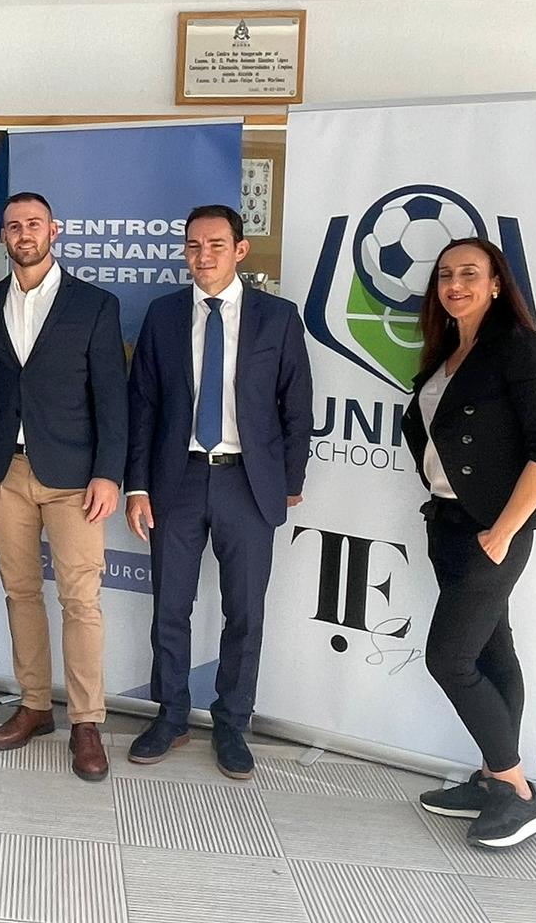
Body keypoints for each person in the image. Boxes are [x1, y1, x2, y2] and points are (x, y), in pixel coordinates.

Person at [125, 204, 312, 780]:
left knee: (245, 612)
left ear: (239, 250)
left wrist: (290, 480)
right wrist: (137, 486)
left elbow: (297, 404)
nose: (202, 257)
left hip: (249, 484)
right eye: (192, 246)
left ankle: (233, 723)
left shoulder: (277, 318)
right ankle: (172, 714)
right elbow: (144, 406)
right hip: (175, 479)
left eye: (214, 245)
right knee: (171, 608)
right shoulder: (162, 315)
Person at [402, 237, 536, 849]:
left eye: (470, 273)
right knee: (493, 653)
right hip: (447, 523)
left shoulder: (516, 349)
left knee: (449, 659)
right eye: (445, 275)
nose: (455, 284)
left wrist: (501, 531)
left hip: (493, 531)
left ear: (497, 283)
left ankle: (517, 791)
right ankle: (489, 775)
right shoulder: (450, 351)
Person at [0, 192, 127, 782]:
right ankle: (35, 707)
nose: (24, 233)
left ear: (53, 230)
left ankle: (86, 721)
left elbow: (113, 395)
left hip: (76, 476)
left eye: (33, 223)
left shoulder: (94, 305)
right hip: (6, 471)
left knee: (80, 600)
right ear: (3, 238)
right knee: (20, 592)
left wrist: (110, 472)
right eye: (13, 226)